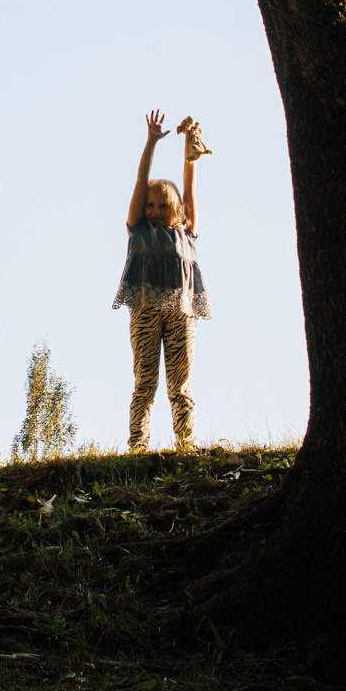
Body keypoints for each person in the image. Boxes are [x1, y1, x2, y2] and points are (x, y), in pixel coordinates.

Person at [118, 110, 209, 451]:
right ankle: (138, 444)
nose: (155, 210)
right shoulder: (139, 230)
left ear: (179, 212)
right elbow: (141, 183)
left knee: (180, 382)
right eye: (151, 205)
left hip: (182, 312)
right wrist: (151, 143)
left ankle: (186, 442)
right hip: (145, 312)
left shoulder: (187, 233)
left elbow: (189, 187)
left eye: (163, 206)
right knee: (145, 381)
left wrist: (190, 153)